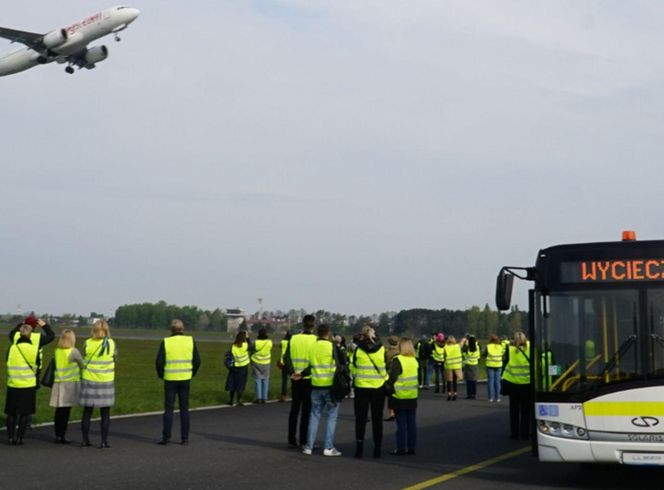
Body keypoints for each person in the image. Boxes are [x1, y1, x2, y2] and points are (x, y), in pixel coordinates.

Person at [156, 319, 201, 445]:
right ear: (183, 329)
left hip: (170, 378)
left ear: (171, 330)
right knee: (184, 409)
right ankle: (185, 438)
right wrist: (192, 373)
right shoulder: (190, 341)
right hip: (185, 378)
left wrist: (161, 375)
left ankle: (166, 437)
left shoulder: (166, 342)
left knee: (169, 409)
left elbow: (159, 362)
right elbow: (197, 361)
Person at [300, 324, 342, 456]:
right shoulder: (331, 346)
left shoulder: (312, 346)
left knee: (314, 416)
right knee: (331, 417)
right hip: (330, 386)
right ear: (328, 333)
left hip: (315, 385)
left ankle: (308, 446)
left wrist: (300, 374)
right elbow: (341, 363)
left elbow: (311, 366)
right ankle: (328, 447)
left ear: (318, 333)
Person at [350, 325, 387, 458]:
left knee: (360, 419)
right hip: (378, 386)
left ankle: (359, 448)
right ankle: (377, 448)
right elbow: (386, 365)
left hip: (361, 387)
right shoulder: (381, 349)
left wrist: (358, 375)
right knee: (377, 419)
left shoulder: (358, 350)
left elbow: (353, 366)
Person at [80, 319, 117, 448]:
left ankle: (85, 440)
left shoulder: (87, 343)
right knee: (105, 414)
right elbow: (115, 358)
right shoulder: (111, 344)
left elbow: (83, 355)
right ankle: (103, 441)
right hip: (105, 380)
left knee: (87, 412)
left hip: (89, 379)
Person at [284, 314, 317, 448]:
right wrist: (303, 374)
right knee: (306, 412)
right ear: (313, 325)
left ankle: (291, 438)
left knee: (294, 410)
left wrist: (292, 372)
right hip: (308, 379)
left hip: (294, 378)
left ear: (303, 324)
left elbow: (286, 358)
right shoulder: (315, 340)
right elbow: (316, 362)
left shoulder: (293, 338)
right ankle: (304, 441)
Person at [5, 324, 41, 445]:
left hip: (13, 383)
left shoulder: (12, 348)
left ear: (19, 334)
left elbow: (7, 361)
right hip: (28, 385)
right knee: (24, 414)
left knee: (11, 413)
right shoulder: (34, 349)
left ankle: (10, 437)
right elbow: (38, 366)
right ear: (30, 335)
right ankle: (20, 438)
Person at [49, 329, 84, 444]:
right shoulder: (74, 351)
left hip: (58, 382)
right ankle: (62, 435)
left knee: (58, 411)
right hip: (69, 383)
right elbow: (82, 364)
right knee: (66, 411)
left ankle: (57, 435)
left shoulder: (57, 351)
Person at [388, 337, 419, 455]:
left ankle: (401, 448)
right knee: (411, 423)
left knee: (401, 424)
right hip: (412, 396)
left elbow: (392, 377)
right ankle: (411, 447)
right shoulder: (414, 360)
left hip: (399, 396)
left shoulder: (398, 360)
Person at [502, 331, 531, 440]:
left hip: (513, 384)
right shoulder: (530, 349)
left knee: (514, 411)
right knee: (526, 411)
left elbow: (505, 365)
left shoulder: (510, 350)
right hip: (527, 384)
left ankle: (514, 433)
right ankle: (525, 433)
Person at [225, 331, 250, 406]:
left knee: (232, 383)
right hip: (243, 367)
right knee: (241, 384)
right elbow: (251, 346)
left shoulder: (233, 346)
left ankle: (231, 400)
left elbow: (230, 354)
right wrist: (248, 338)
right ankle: (239, 400)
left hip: (234, 367)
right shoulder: (245, 345)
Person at [251, 328, 273, 404]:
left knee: (257, 380)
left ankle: (258, 397)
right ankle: (265, 397)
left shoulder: (256, 342)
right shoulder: (269, 342)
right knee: (265, 380)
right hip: (266, 362)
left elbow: (252, 349)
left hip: (256, 362)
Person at [484, 334, 505, 402]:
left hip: (490, 364)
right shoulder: (500, 346)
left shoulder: (488, 346)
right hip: (498, 364)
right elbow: (502, 353)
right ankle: (498, 397)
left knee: (490, 382)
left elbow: (485, 354)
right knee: (498, 382)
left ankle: (490, 398)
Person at [384, 336, 399, 422]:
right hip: (398, 373)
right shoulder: (400, 351)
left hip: (389, 372)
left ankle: (391, 413)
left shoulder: (387, 352)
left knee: (390, 394)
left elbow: (385, 362)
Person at [443, 336, 463, 401]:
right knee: (454, 381)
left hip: (448, 365)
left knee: (449, 381)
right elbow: (462, 343)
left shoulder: (446, 347)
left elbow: (444, 356)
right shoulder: (457, 346)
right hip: (456, 366)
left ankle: (449, 394)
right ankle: (455, 394)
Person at [462, 335, 480, 399]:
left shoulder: (467, 348)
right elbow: (478, 356)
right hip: (475, 364)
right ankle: (474, 394)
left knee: (468, 380)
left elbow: (464, 354)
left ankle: (469, 394)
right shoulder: (477, 347)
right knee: (474, 380)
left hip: (468, 364)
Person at [278, 331, 292, 402]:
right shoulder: (293, 342)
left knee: (284, 380)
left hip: (283, 362)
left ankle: (283, 396)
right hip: (291, 362)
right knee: (293, 379)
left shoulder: (283, 342)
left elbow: (280, 346)